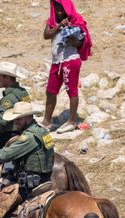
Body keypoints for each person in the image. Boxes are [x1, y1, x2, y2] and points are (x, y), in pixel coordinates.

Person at [0, 102, 54, 201]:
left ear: (29, 117)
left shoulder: (28, 137)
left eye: (19, 118)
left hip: (29, 185)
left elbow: (6, 154)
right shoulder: (41, 131)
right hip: (45, 178)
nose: (15, 122)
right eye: (15, 119)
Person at [41, 0, 92, 133]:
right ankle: (46, 121)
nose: (59, 12)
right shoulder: (51, 21)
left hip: (70, 60)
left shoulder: (76, 19)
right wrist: (59, 26)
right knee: (51, 91)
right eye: (57, 9)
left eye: (62, 9)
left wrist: (72, 40)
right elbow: (46, 35)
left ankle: (71, 121)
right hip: (57, 61)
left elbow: (82, 42)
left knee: (71, 90)